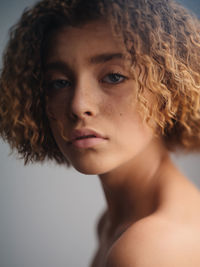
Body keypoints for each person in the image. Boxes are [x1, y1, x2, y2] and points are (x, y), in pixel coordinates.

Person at [1, 0, 200, 266]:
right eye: (59, 82)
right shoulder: (114, 222)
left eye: (114, 77)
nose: (78, 105)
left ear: (168, 88)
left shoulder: (149, 248)